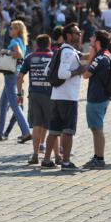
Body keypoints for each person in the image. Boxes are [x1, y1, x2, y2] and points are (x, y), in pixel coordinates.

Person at [41, 23, 86, 170]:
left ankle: (47, 160)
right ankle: (66, 162)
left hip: (56, 95)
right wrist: (77, 71)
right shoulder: (68, 52)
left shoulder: (61, 50)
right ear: (68, 35)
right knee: (68, 131)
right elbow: (61, 73)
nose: (79, 35)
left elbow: (47, 70)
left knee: (54, 130)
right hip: (67, 97)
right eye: (77, 33)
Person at [17, 34, 62, 165]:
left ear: (36, 44)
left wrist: (19, 94)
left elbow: (19, 77)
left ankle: (35, 155)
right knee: (53, 126)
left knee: (37, 125)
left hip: (34, 94)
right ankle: (57, 156)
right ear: (49, 44)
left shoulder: (30, 57)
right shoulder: (53, 56)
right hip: (50, 94)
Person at [0, 20, 32, 143]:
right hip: (14, 74)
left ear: (18, 30)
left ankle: (26, 131)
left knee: (14, 105)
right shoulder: (21, 41)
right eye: (10, 27)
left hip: (11, 74)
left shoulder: (14, 41)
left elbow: (19, 54)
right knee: (3, 104)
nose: (10, 30)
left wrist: (6, 51)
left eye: (12, 28)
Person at [82, 30, 111, 169]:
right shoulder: (107, 54)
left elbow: (86, 74)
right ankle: (97, 156)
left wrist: (91, 56)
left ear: (98, 41)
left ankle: (99, 159)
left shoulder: (99, 57)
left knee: (97, 128)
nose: (90, 38)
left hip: (97, 97)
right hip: (103, 96)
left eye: (93, 37)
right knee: (96, 128)